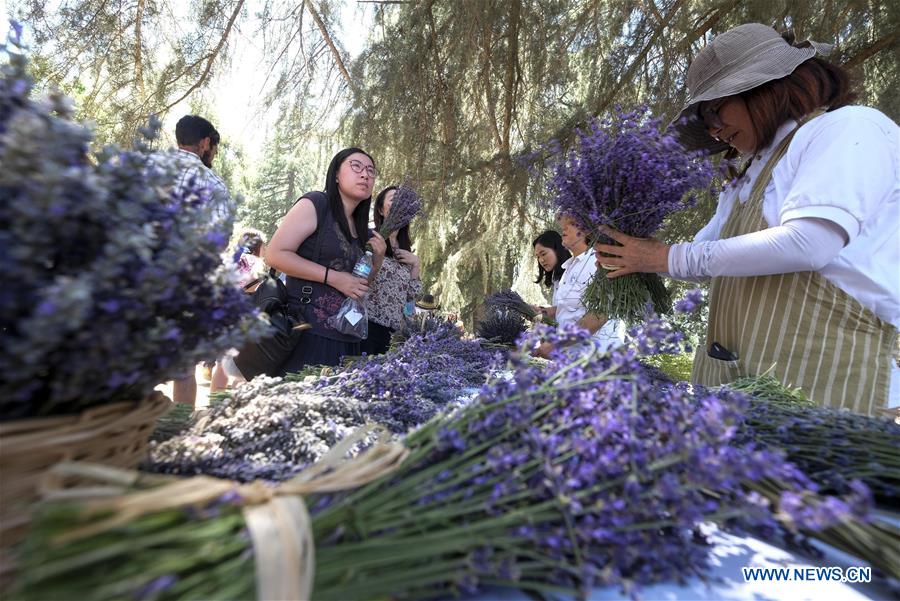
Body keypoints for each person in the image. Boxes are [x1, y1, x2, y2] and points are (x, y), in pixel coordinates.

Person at [592, 23, 899, 414]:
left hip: (826, 382)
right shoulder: (748, 173)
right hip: (742, 385)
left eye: (715, 111)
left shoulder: (846, 129)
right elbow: (704, 258)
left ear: (764, 87)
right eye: (705, 121)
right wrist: (635, 251)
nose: (714, 131)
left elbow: (810, 244)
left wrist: (664, 257)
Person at [266, 148, 387, 370]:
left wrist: (378, 260)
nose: (365, 174)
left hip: (348, 337)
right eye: (356, 166)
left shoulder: (363, 230)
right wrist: (334, 278)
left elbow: (359, 287)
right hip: (307, 332)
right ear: (336, 175)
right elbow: (275, 254)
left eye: (371, 171)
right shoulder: (316, 204)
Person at [168, 115, 235, 406]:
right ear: (206, 143)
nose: (213, 155)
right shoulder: (212, 182)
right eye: (214, 149)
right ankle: (177, 427)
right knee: (183, 369)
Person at [535, 214, 625, 357]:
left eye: (571, 223)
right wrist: (544, 313)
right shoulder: (569, 267)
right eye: (563, 224)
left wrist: (557, 343)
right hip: (574, 359)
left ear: (586, 230)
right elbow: (571, 308)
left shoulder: (599, 262)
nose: (564, 228)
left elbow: (600, 314)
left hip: (599, 358)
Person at [360, 186, 423, 355]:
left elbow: (410, 300)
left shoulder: (405, 250)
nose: (400, 204)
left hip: (393, 335)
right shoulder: (369, 239)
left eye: (404, 201)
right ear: (380, 210)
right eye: (394, 199)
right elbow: (359, 278)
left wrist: (416, 264)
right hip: (366, 327)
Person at [211, 229, 267, 392]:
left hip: (222, 316)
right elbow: (254, 291)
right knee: (241, 369)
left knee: (221, 365)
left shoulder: (230, 260)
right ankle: (235, 402)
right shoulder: (254, 263)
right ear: (259, 246)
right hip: (242, 319)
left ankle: (213, 403)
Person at [532, 230, 571, 302]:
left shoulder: (574, 272)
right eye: (538, 257)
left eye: (543, 254)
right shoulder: (556, 279)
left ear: (557, 250)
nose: (541, 260)